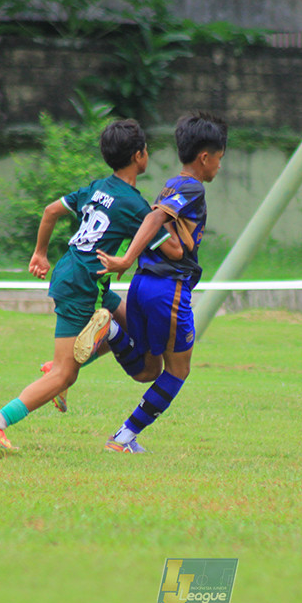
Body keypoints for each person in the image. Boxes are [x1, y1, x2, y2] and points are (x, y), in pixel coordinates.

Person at [0, 118, 181, 452]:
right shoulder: (134, 205)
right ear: (140, 156)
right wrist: (168, 214)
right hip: (84, 284)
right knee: (65, 376)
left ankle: (89, 343)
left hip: (75, 272)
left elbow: (50, 210)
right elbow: (173, 249)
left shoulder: (98, 188)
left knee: (134, 322)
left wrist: (40, 253)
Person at [91, 111, 228, 453]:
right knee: (178, 370)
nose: (219, 168)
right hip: (168, 290)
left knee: (148, 369)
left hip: (141, 285)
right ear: (205, 157)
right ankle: (123, 438)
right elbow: (154, 218)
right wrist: (125, 257)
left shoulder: (171, 184)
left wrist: (139, 257)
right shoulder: (192, 188)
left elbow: (156, 223)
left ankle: (110, 333)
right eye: (220, 160)